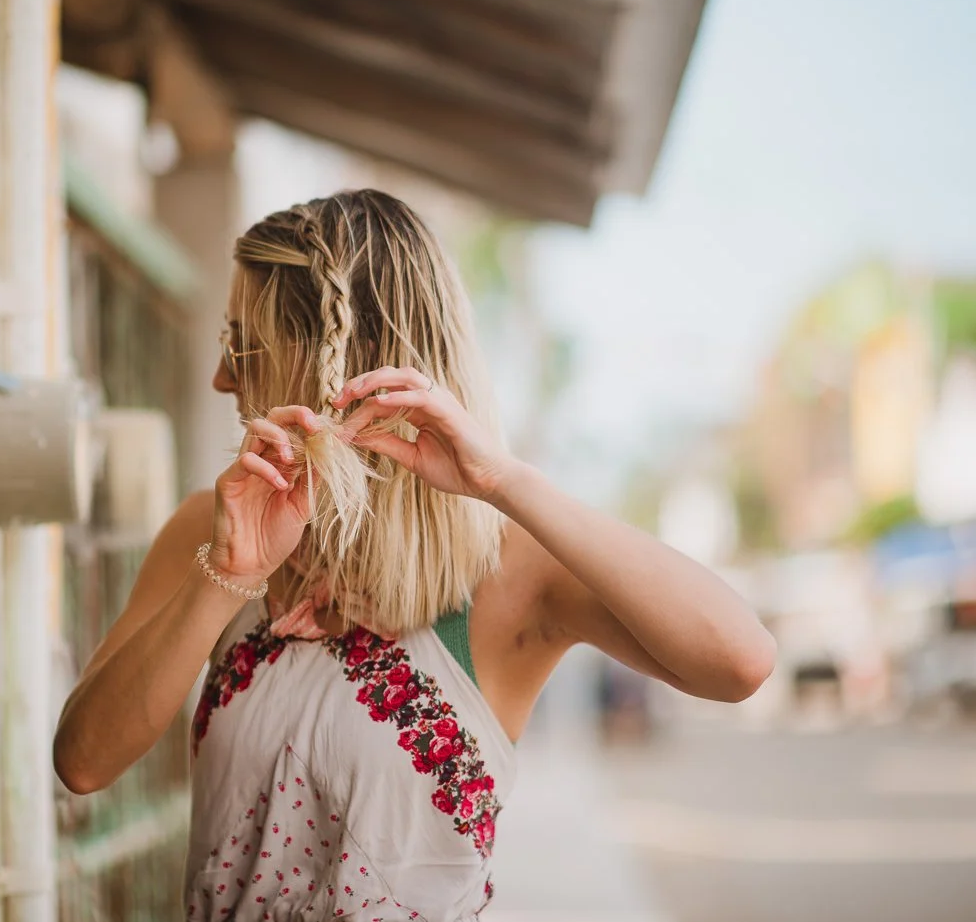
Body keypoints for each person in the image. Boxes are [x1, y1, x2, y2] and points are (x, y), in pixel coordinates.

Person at [53, 190, 775, 920]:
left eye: (241, 346)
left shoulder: (506, 569)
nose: (222, 379)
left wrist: (504, 480)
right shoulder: (213, 529)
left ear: (321, 366)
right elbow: (82, 761)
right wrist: (227, 577)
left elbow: (739, 660)